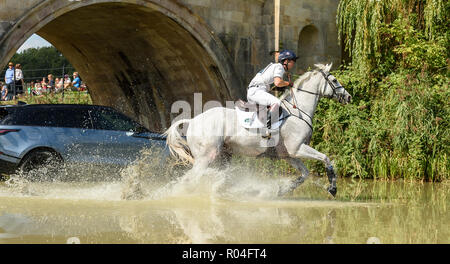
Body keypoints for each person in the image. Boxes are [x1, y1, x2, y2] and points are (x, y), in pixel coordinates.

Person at [246, 49, 297, 132]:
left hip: (256, 90)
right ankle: (267, 130)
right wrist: (288, 83)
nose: (293, 64)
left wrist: (281, 87)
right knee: (276, 102)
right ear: (286, 61)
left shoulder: (275, 66)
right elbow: (278, 82)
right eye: (292, 62)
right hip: (256, 91)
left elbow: (274, 84)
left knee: (271, 107)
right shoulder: (279, 67)